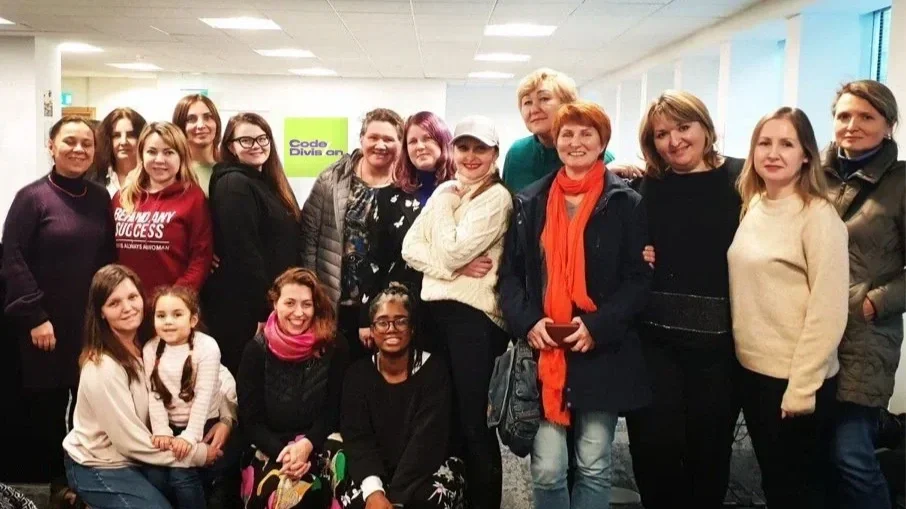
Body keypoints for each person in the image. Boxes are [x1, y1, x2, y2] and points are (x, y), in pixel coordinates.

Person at [498, 100, 652, 509]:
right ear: (557, 141)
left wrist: (597, 327)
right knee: (548, 467)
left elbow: (638, 281)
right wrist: (529, 322)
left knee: (594, 462)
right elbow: (510, 276)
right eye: (568, 133)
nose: (576, 141)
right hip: (545, 349)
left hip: (601, 349)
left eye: (587, 133)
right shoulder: (531, 202)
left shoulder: (626, 203)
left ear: (603, 142)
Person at [624, 90, 743, 509]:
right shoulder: (647, 188)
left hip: (719, 347)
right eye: (661, 133)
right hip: (654, 343)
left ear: (706, 129)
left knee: (708, 452)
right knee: (652, 449)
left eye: (683, 128)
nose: (673, 141)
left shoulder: (743, 181)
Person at [728, 107, 849, 509]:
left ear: (807, 156)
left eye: (786, 144)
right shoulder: (755, 204)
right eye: (764, 143)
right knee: (776, 485)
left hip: (795, 382)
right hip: (754, 374)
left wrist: (802, 388)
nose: (773, 153)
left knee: (800, 491)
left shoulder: (818, 215)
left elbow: (828, 309)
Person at [1, 116, 115, 503]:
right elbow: (12, 259)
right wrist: (34, 316)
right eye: (70, 141)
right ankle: (56, 482)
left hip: (89, 325)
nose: (79, 149)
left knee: (89, 406)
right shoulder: (31, 198)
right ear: (51, 146)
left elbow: (108, 260)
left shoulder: (100, 198)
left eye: (87, 143)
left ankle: (87, 479)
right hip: (45, 327)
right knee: (49, 412)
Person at [401, 115, 512, 509]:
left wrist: (445, 215)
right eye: (463, 147)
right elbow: (410, 249)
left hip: (474, 324)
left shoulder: (495, 198)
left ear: (495, 154)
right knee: (441, 420)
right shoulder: (449, 190)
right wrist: (454, 268)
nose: (470, 156)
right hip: (435, 319)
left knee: (473, 424)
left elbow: (448, 249)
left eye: (480, 148)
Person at [63, 264, 237, 509]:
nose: (127, 308)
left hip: (141, 457)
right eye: (114, 303)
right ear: (101, 312)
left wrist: (226, 419)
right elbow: (131, 442)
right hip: (99, 463)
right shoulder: (102, 367)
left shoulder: (153, 341)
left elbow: (220, 373)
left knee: (194, 485)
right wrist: (197, 454)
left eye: (133, 297)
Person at [823, 80, 904, 509]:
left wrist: (876, 301)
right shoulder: (812, 174)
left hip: (865, 336)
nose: (852, 125)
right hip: (810, 331)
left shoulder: (901, 183)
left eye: (866, 117)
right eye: (843, 116)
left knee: (851, 454)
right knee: (814, 454)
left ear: (888, 124)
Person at [301, 108, 421, 361]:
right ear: (361, 139)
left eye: (389, 139)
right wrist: (312, 295)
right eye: (373, 137)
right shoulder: (331, 180)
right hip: (335, 301)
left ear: (400, 144)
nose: (380, 145)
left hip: (387, 309)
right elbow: (309, 239)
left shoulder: (408, 188)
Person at [338, 284, 466, 509]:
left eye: (401, 320)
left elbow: (427, 442)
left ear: (412, 328)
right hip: (374, 468)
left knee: (428, 501)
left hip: (426, 467)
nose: (392, 328)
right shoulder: (357, 375)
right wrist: (374, 492)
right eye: (383, 322)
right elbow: (358, 439)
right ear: (373, 329)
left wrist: (394, 500)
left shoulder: (434, 371)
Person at [237, 268, 347, 509]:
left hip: (320, 441)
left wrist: (307, 445)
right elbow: (250, 421)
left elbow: (334, 409)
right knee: (288, 495)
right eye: (290, 303)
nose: (299, 313)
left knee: (345, 483)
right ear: (275, 303)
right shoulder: (255, 351)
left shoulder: (333, 346)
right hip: (271, 447)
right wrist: (286, 453)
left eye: (307, 304)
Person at [205, 112, 302, 373]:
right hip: (247, 315)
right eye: (246, 140)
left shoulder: (266, 183)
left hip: (272, 305)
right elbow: (244, 255)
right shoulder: (234, 184)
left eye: (262, 138)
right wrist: (262, 312)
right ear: (230, 146)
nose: (257, 145)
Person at [143, 286, 223, 508]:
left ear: (193, 319)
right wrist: (161, 430)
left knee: (181, 474)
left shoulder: (207, 347)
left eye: (177, 314)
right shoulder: (150, 349)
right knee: (155, 475)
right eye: (161, 316)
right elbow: (155, 393)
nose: (168, 321)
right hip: (170, 426)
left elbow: (204, 396)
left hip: (203, 424)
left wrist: (190, 436)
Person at [113, 122, 213, 297]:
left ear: (181, 157)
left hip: (171, 309)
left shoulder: (193, 198)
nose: (159, 160)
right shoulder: (122, 197)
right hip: (127, 305)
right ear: (142, 155)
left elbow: (201, 259)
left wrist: (173, 300)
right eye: (152, 152)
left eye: (168, 152)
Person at [503, 68, 615, 192]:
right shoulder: (517, 153)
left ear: (568, 105)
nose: (534, 110)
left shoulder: (597, 155)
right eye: (527, 102)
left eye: (544, 99)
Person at [397, 111, 455, 206]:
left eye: (427, 138)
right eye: (413, 141)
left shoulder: (463, 188)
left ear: (443, 141)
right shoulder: (392, 194)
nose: (419, 146)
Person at [172, 94, 222, 196]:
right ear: (180, 126)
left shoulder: (229, 166)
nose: (201, 125)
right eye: (191, 119)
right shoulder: (173, 170)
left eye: (207, 117)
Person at [92, 107, 148, 196]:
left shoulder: (153, 176)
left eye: (131, 135)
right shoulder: (95, 178)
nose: (123, 141)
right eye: (116, 135)